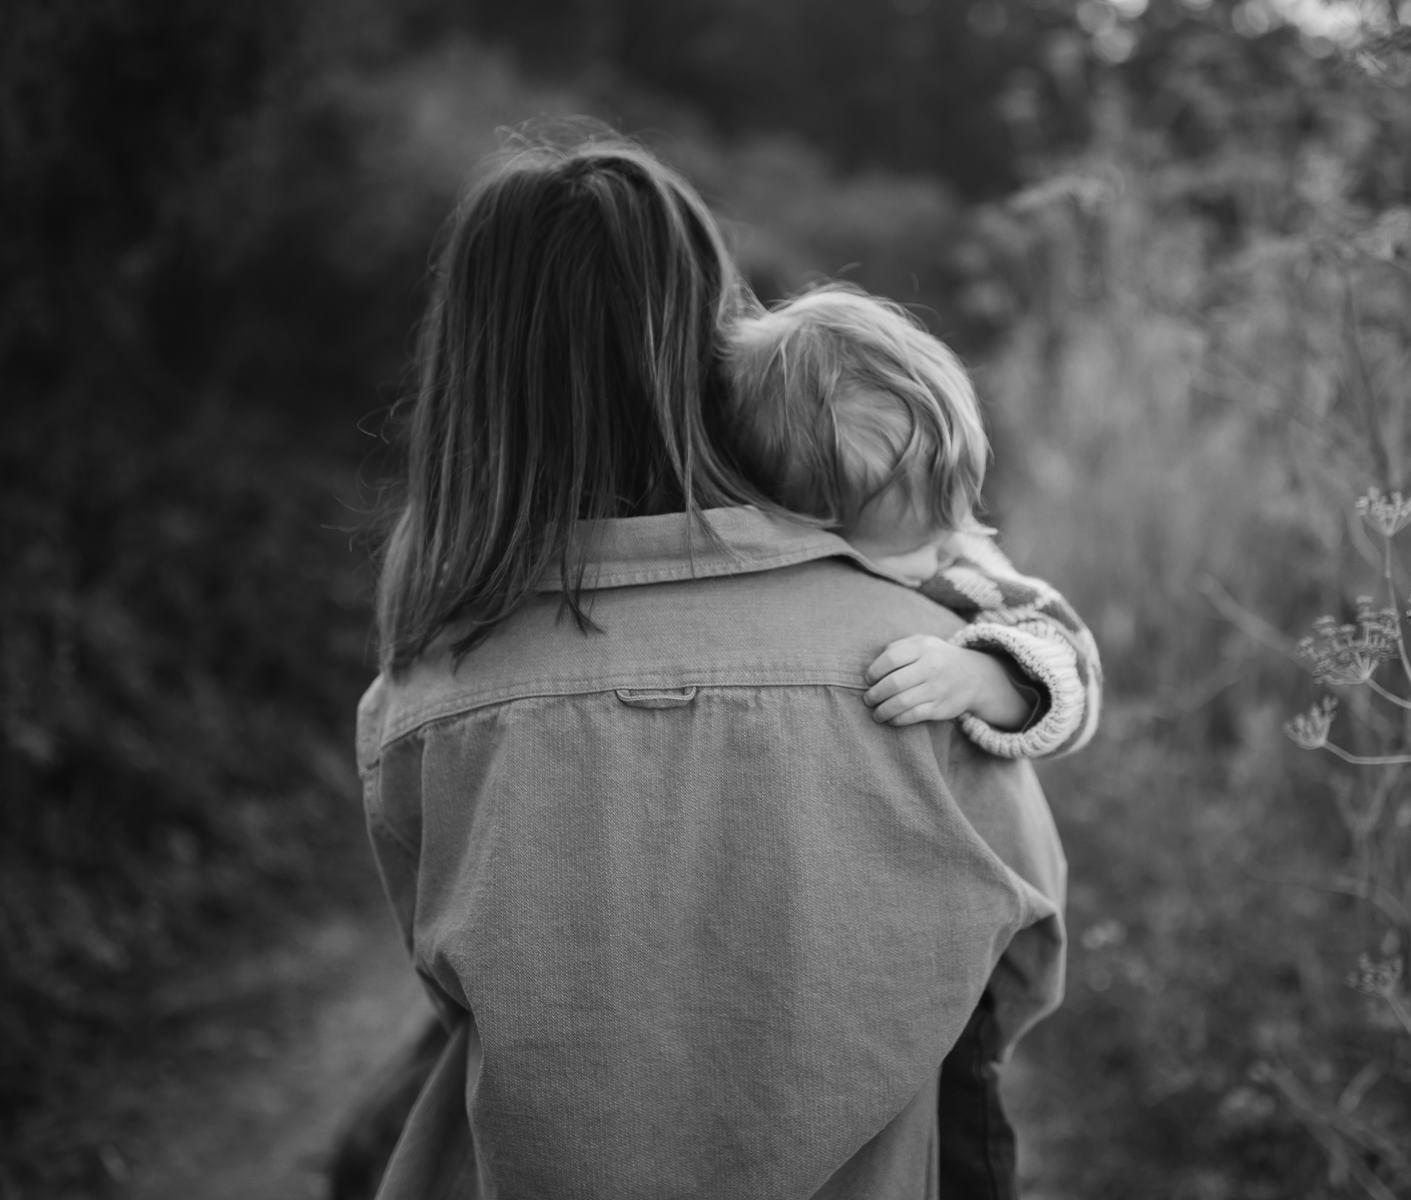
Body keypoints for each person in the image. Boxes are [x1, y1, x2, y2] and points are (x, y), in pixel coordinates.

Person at [354, 129, 1066, 1199]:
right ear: (710, 349)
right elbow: (1018, 949)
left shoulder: (420, 695)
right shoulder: (917, 651)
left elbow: (451, 979)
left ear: (469, 379)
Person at [721, 284, 1103, 1199]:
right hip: (831, 931)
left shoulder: (964, 568)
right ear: (797, 527)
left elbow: (1076, 669)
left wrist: (986, 678)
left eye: (953, 516)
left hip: (950, 959)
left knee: (964, 1145)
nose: (940, 554)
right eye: (909, 543)